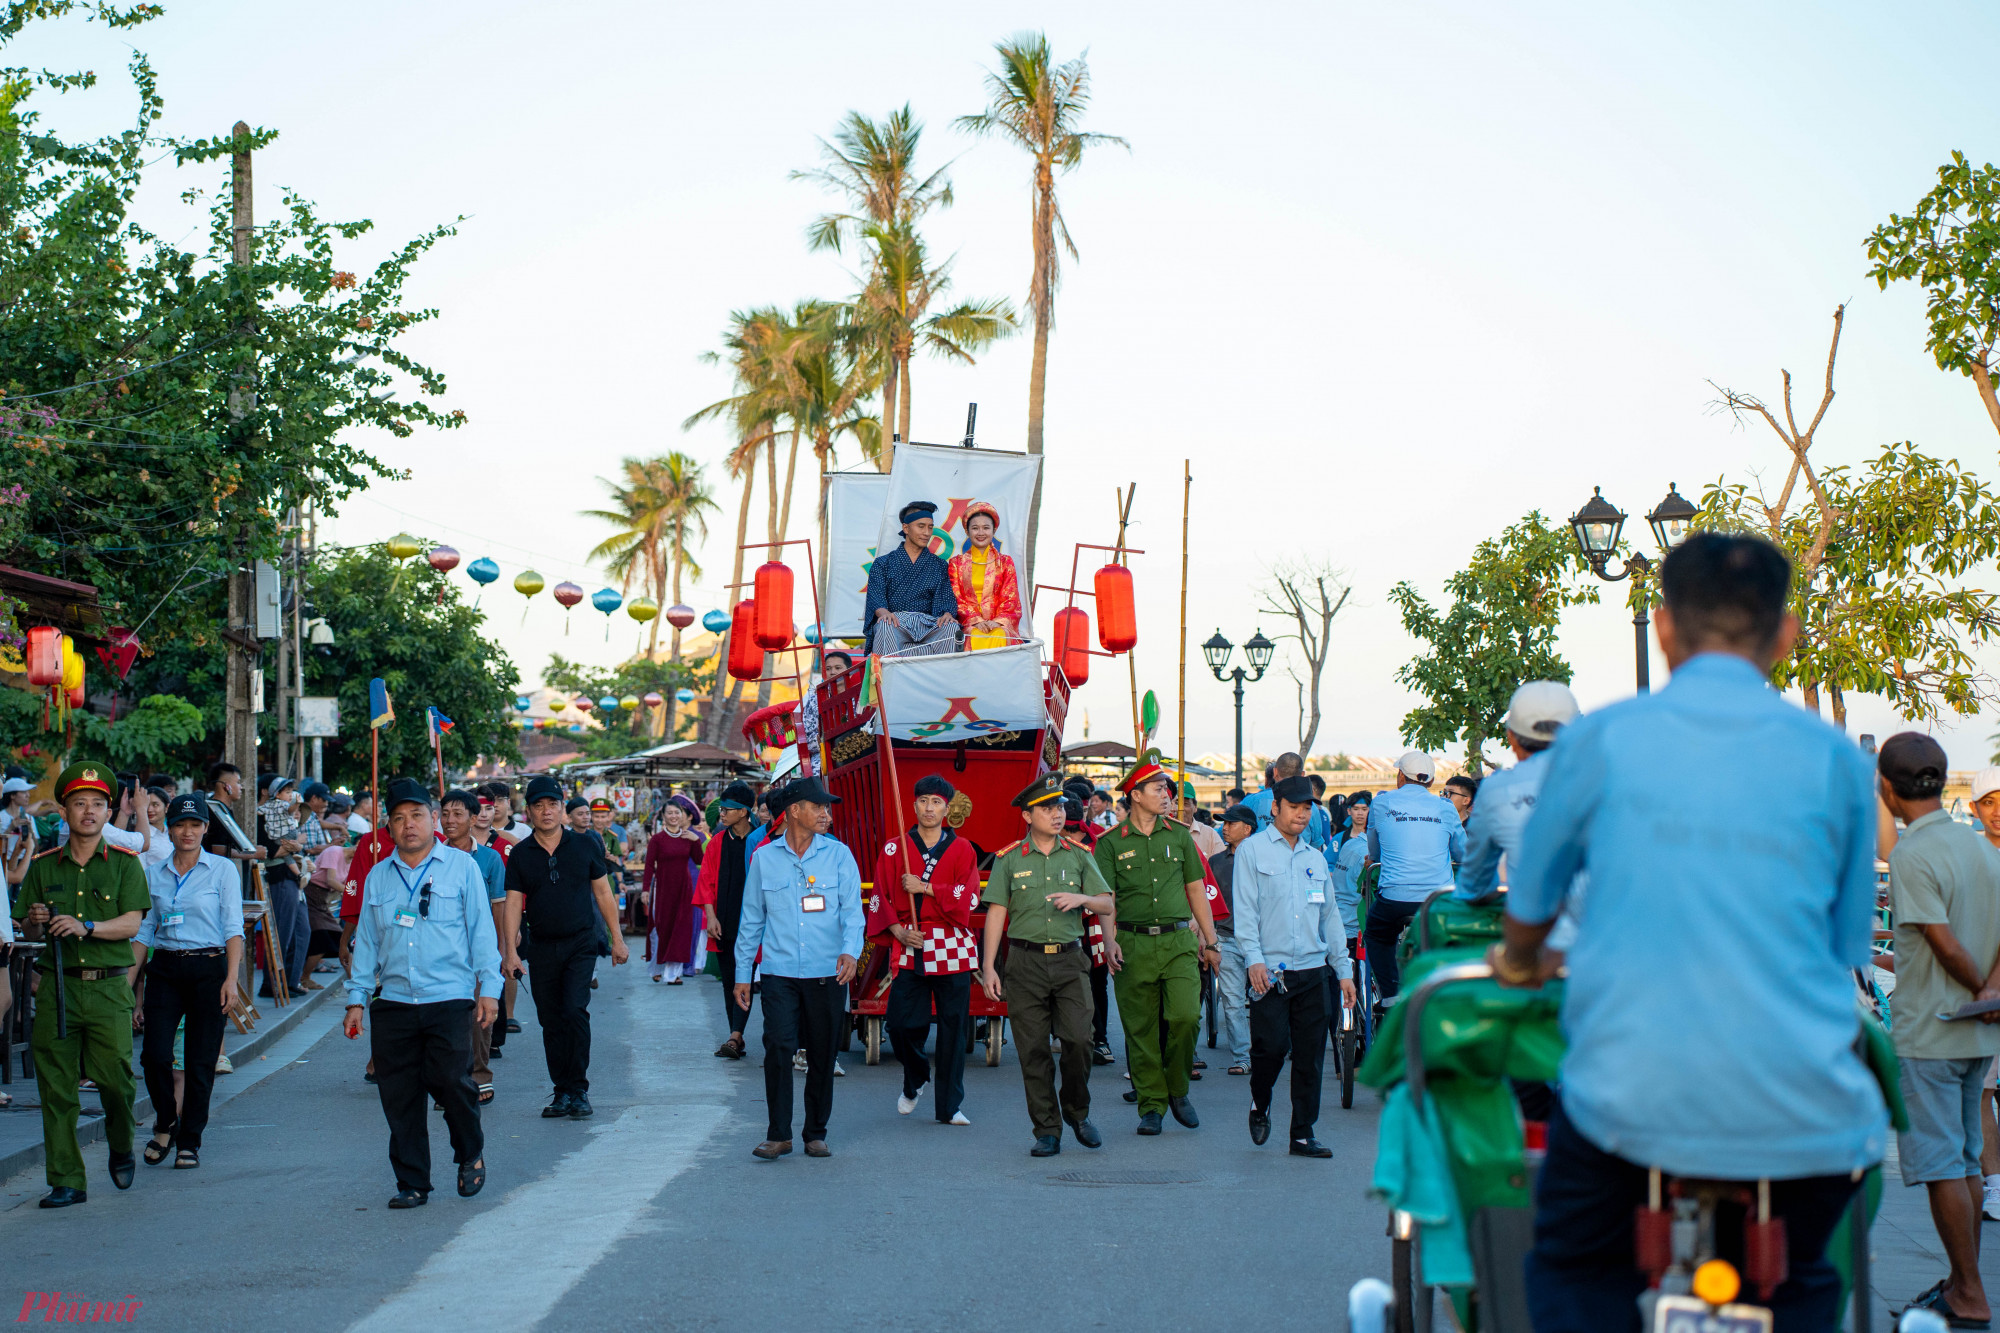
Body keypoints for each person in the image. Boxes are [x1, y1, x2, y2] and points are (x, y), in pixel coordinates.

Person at [1496, 531, 1888, 1331]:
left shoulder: (1603, 739)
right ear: (1786, 634)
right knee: (1806, 1279)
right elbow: (1847, 940)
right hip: (1802, 1107)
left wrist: (1522, 958)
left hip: (1627, 1105)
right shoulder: (1836, 761)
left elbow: (1531, 898)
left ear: (1666, 629)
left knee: (1575, 1264)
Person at [1875, 733, 2000, 1327]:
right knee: (1969, 1161)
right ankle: (1961, 1282)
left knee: (1942, 1164)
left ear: (1887, 787)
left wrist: (1979, 987)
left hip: (1933, 1028)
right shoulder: (1982, 850)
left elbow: (1942, 942)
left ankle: (1969, 1292)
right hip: (1978, 1032)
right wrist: (1994, 992)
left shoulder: (1911, 854)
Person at [343, 780, 501, 1209]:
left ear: (435, 820)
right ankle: (412, 1182)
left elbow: (481, 932)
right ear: (388, 827)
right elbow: (368, 945)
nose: (408, 825)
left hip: (448, 997)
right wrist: (357, 998)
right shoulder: (378, 876)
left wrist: (490, 990)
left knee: (451, 1081)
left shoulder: (462, 867)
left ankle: (469, 1151)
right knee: (399, 1096)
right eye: (398, 818)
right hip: (392, 1000)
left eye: (416, 815)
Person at [7, 761, 150, 1207]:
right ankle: (67, 1180)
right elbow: (27, 931)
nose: (88, 811)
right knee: (57, 1089)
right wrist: (35, 923)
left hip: (108, 990)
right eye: (79, 803)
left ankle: (122, 1143)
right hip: (58, 989)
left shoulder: (126, 864)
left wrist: (86, 925)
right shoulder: (45, 866)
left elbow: (131, 923)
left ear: (109, 813)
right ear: (65, 811)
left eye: (97, 804)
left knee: (117, 1084)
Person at [979, 772, 1112, 1156]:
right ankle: (1047, 1130)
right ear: (1027, 816)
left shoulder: (1080, 855)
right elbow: (996, 914)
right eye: (1047, 808)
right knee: (1033, 1050)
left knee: (1079, 1040)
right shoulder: (1008, 860)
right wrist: (989, 966)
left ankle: (1077, 1111)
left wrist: (1081, 899)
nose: (1057, 814)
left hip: (1070, 960)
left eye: (1059, 807)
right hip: (1024, 963)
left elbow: (1107, 903)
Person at [734, 776, 863, 1160]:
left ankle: (815, 1132)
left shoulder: (839, 856)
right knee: (778, 1047)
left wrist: (850, 952)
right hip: (779, 973)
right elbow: (751, 920)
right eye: (818, 807)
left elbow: (853, 914)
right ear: (793, 812)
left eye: (827, 808)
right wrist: (744, 974)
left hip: (827, 972)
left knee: (822, 1052)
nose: (826, 814)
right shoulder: (764, 858)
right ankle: (779, 1134)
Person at [1231, 774, 1357, 1158]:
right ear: (1275, 808)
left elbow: (1330, 917)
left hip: (1313, 972)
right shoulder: (1252, 851)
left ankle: (1302, 1133)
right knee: (1269, 1050)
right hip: (1270, 973)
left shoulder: (1315, 858)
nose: (1302, 814)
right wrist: (1253, 960)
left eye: (1308, 809)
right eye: (1295, 807)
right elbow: (1246, 911)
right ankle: (1260, 1101)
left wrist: (1345, 970)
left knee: (1309, 1057)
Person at [1093, 759, 1220, 1135]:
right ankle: (1151, 1105)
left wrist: (1210, 941)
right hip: (1132, 942)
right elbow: (1106, 897)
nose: (1167, 795)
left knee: (1185, 1016)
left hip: (1179, 940)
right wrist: (1108, 940)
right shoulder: (1110, 843)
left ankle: (1177, 1088)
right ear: (1135, 796)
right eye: (1158, 789)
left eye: (1166, 788)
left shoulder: (1180, 836)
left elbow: (1196, 889)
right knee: (1140, 1028)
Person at [502, 774, 627, 1120]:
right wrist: (510, 951)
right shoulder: (521, 854)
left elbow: (603, 892)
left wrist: (616, 938)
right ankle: (561, 1091)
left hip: (580, 942)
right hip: (541, 946)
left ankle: (579, 1089)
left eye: (553, 804)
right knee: (551, 1020)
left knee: (574, 1011)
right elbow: (513, 903)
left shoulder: (586, 845)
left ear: (563, 809)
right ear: (528, 811)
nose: (546, 811)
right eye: (538, 806)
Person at [131, 793, 242, 1171]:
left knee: (200, 1060)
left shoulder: (223, 870)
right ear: (170, 828)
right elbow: (144, 932)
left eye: (195, 825)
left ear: (206, 829)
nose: (187, 831)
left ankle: (189, 1141)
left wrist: (232, 979)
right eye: (180, 824)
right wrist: (130, 988)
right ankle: (166, 1121)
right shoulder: (153, 873)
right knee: (154, 1054)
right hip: (164, 970)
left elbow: (233, 929)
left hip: (209, 969)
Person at [868, 774, 981, 1126]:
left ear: (947, 808)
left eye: (936, 802)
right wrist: (898, 930)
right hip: (910, 942)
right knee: (900, 1024)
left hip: (952, 943)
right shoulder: (894, 848)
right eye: (922, 801)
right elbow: (879, 898)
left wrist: (926, 888)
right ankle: (915, 1076)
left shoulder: (963, 849)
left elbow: (970, 896)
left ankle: (950, 1106)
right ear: (913, 804)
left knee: (953, 1027)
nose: (928, 808)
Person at [1453, 682, 1580, 907]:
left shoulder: (1497, 790)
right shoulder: (1607, 779)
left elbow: (1475, 882)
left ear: (1511, 737)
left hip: (1532, 930)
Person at [1361, 751, 1464, 1002]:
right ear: (1429, 782)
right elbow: (1463, 851)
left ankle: (1390, 995)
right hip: (1437, 901)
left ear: (1400, 776)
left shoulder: (1382, 802)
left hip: (1395, 899)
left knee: (1376, 934)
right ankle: (1441, 990)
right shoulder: (1446, 807)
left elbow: (1374, 851)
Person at [439, 789, 508, 1106]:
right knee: (446, 1018)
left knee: (480, 1018)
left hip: (478, 950)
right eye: (445, 813)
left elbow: (498, 909)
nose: (450, 820)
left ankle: (480, 1076)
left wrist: (501, 952)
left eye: (457, 814)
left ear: (472, 817)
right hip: (441, 952)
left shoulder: (490, 859)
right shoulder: (430, 855)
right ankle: (449, 1082)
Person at [695, 781, 759, 1057]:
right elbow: (706, 882)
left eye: (728, 809)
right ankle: (736, 1033)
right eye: (722, 808)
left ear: (744, 812)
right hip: (723, 921)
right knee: (729, 978)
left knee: (746, 976)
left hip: (754, 923)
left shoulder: (761, 841)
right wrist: (710, 917)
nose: (722, 813)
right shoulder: (717, 842)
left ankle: (736, 1035)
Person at [863, 499, 959, 658]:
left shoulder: (939, 565)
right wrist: (884, 613)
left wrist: (948, 614)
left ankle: (942, 680)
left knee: (951, 629)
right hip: (897, 622)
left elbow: (945, 598)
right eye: (921, 526)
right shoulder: (883, 563)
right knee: (885, 625)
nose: (927, 532)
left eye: (930, 527)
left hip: (929, 624)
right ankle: (888, 680)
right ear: (906, 528)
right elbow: (876, 597)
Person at [1210, 804, 1258, 1077]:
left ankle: (1266, 1050)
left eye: (1230, 823)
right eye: (1223, 823)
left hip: (1263, 943)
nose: (1224, 828)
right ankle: (1243, 1057)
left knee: (1265, 999)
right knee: (1231, 1000)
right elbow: (1205, 901)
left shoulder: (1265, 859)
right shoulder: (1216, 862)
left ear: (1248, 828)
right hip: (1226, 940)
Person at [255, 773, 309, 997]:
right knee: (281, 933)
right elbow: (271, 851)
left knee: (301, 931)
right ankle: (273, 983)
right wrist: (295, 847)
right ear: (268, 793)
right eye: (285, 792)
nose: (288, 797)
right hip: (277, 876)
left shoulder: (285, 815)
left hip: (293, 878)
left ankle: (290, 981)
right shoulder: (261, 816)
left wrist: (296, 847)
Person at [945, 501, 1023, 650]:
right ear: (967, 532)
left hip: (999, 624)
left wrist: (998, 622)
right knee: (973, 635)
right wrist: (976, 621)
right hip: (970, 625)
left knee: (999, 634)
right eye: (975, 528)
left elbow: (1010, 598)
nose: (981, 533)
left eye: (986, 528)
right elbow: (957, 598)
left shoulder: (1005, 562)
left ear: (994, 531)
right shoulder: (956, 563)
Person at [644, 795, 704, 983]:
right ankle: (656, 967)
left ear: (682, 815)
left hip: (684, 889)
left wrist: (696, 841)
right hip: (662, 888)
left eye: (676, 812)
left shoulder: (688, 838)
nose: (673, 816)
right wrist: (645, 889)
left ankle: (673, 974)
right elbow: (648, 866)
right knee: (662, 928)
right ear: (663, 815)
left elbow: (699, 860)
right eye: (669, 812)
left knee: (681, 929)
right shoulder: (657, 839)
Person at [1244, 752, 1333, 849]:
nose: (1300, 815)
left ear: (1275, 772)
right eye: (1293, 807)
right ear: (1275, 808)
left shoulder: (1252, 801)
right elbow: (1316, 845)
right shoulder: (1313, 808)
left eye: (1306, 808)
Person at [797, 650, 853, 776]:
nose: (833, 672)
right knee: (819, 773)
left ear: (849, 670)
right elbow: (809, 738)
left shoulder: (859, 696)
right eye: (828, 668)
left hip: (855, 751)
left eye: (838, 668)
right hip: (823, 755)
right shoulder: (815, 699)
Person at [1331, 793, 1371, 959]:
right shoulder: (1365, 852)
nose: (1360, 813)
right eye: (1356, 809)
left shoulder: (1350, 844)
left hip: (1338, 920)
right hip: (1354, 926)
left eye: (1364, 809)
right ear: (1349, 811)